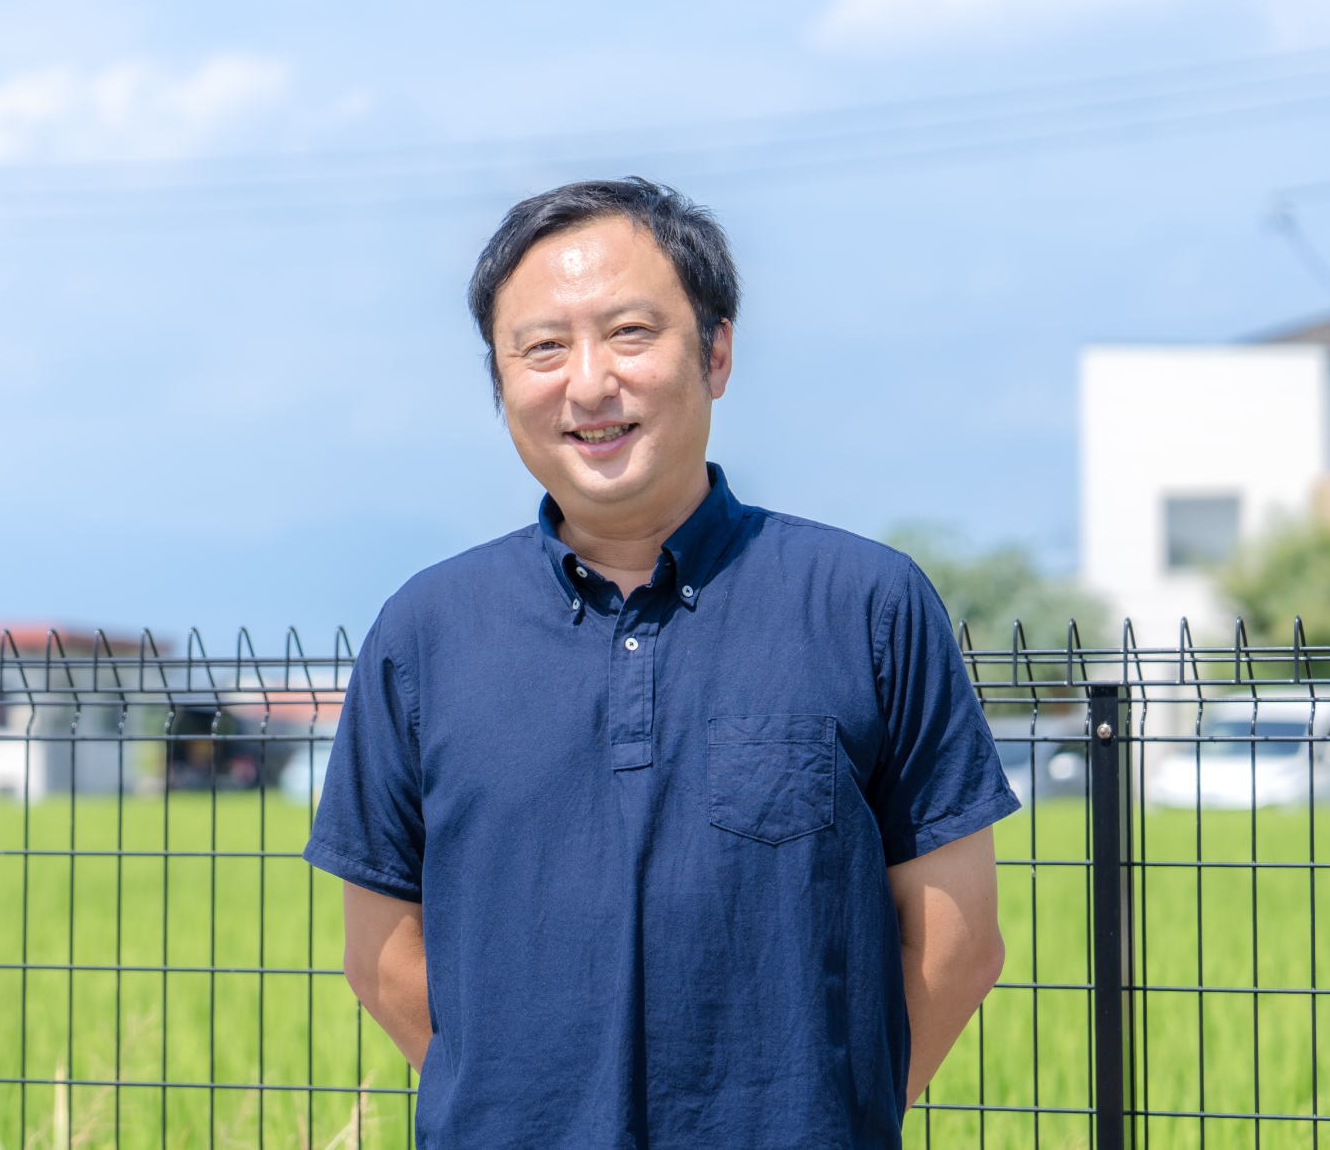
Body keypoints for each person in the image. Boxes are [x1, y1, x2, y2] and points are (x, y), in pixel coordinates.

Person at [304, 177, 1017, 1148]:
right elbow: (382, 956)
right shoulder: (424, 632)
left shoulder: (867, 605)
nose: (588, 383)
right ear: (501, 380)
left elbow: (957, 943)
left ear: (716, 353)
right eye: (542, 347)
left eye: (629, 333)